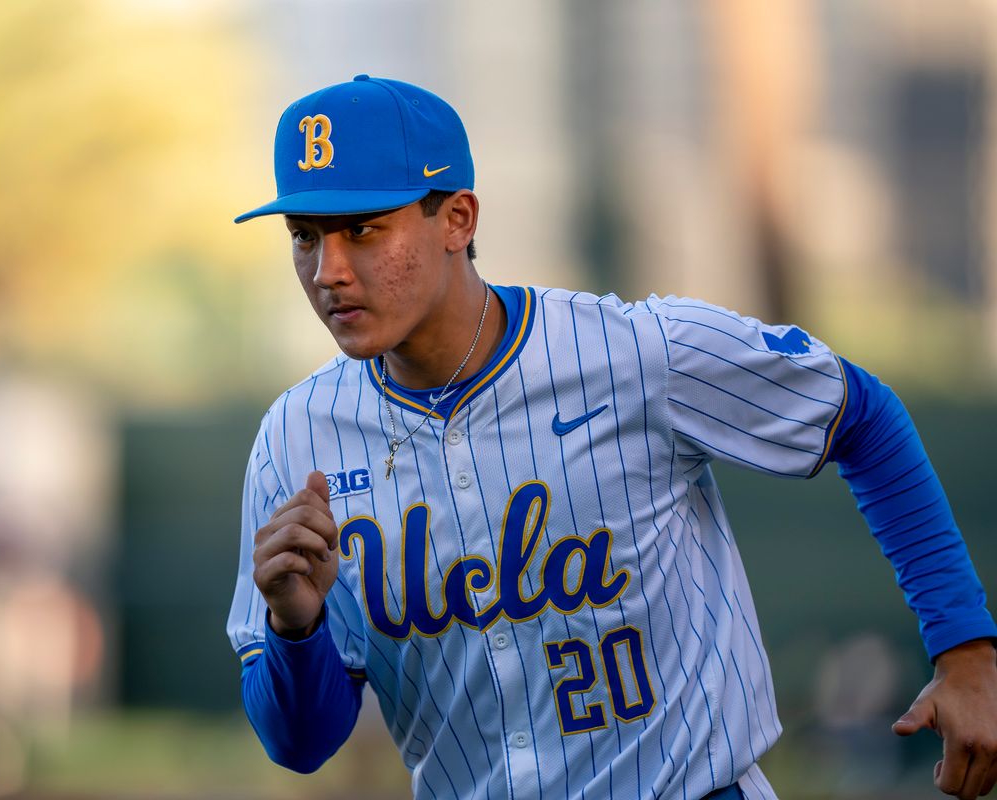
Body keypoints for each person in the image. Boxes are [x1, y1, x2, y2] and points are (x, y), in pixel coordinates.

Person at [226, 74, 997, 800]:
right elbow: (302, 744)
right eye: (304, 235)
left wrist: (964, 649)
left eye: (362, 229)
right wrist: (299, 626)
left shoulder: (634, 354)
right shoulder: (296, 441)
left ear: (457, 218)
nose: (328, 269)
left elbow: (858, 412)